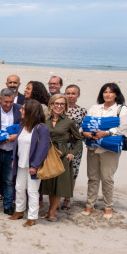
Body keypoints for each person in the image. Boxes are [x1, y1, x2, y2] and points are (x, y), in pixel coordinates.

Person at [82, 83, 127, 220]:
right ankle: (89, 204)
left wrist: (106, 132)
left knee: (107, 178)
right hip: (93, 145)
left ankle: (108, 206)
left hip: (110, 148)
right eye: (105, 92)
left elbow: (122, 129)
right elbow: (86, 124)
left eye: (111, 92)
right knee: (92, 177)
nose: (107, 94)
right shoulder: (94, 108)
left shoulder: (121, 109)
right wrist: (85, 133)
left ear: (116, 94)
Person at [39, 94, 83, 222]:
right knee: (50, 184)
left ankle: (52, 211)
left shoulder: (68, 121)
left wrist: (72, 153)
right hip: (47, 153)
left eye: (62, 104)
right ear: (51, 105)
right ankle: (50, 210)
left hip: (62, 154)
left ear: (65, 106)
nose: (58, 106)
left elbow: (79, 140)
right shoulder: (44, 120)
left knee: (59, 185)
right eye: (56, 104)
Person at [9, 100, 50, 227]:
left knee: (32, 191)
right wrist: (13, 159)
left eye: (23, 109)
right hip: (21, 163)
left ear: (31, 111)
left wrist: (35, 165)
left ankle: (32, 216)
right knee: (19, 188)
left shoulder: (41, 128)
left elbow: (43, 149)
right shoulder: (22, 126)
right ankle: (19, 210)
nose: (20, 111)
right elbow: (17, 145)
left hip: (32, 165)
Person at [0, 89, 22, 215]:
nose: (8, 104)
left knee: (9, 180)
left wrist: (16, 136)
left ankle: (7, 205)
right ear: (0, 99)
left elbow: (25, 129)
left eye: (11, 102)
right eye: (6, 102)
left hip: (12, 151)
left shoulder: (20, 109)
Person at [64, 84, 88, 209]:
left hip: (75, 145)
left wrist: (77, 134)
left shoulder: (83, 111)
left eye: (73, 93)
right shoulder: (60, 107)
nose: (70, 96)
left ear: (78, 95)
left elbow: (85, 128)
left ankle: (68, 198)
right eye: (68, 93)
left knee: (73, 172)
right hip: (61, 143)